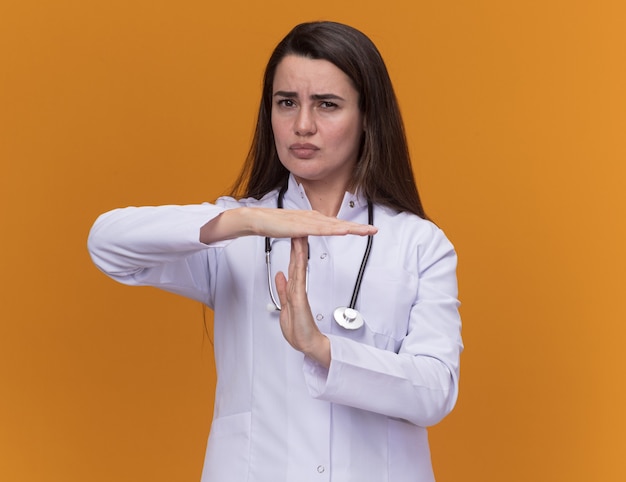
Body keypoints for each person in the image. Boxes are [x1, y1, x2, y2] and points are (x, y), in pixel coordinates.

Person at [88, 20, 463, 482]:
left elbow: (435, 391)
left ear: (368, 116)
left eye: (327, 105)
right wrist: (247, 219)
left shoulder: (418, 244)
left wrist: (323, 350)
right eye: (287, 103)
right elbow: (107, 244)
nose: (302, 125)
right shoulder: (233, 236)